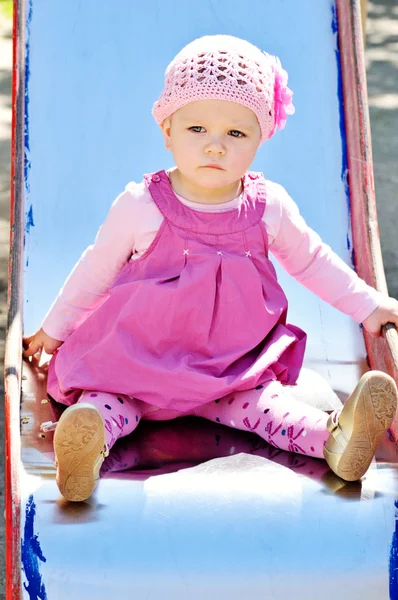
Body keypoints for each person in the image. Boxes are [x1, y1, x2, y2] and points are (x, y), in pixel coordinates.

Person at [23, 35, 398, 503]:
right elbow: (95, 272)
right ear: (167, 131)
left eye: (235, 134)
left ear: (261, 138)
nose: (215, 147)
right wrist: (54, 331)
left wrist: (368, 305)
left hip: (229, 372)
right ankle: (86, 444)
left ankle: (336, 440)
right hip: (137, 365)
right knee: (109, 402)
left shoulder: (267, 207)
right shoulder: (143, 205)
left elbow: (313, 261)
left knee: (267, 408)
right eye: (196, 129)